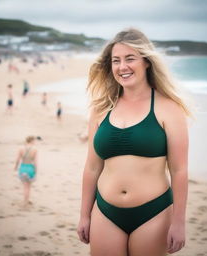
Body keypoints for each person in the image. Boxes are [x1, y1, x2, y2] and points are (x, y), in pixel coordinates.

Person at [77, 28, 191, 256]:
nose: (122, 67)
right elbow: (92, 167)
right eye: (116, 60)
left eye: (130, 59)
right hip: (105, 211)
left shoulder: (168, 108)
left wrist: (178, 222)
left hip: (154, 213)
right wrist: (84, 214)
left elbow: (179, 170)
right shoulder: (101, 109)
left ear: (146, 62)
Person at [14, 136, 39, 207]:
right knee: (29, 187)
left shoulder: (20, 148)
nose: (35, 142)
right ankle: (27, 201)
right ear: (31, 141)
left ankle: (25, 201)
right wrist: (36, 170)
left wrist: (15, 167)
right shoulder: (35, 149)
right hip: (30, 168)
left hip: (23, 168)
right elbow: (35, 162)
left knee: (25, 186)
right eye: (34, 141)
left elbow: (17, 160)